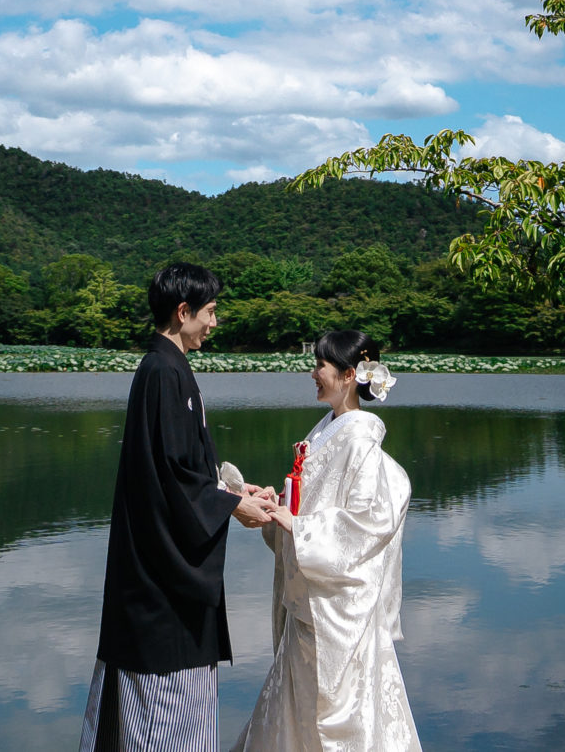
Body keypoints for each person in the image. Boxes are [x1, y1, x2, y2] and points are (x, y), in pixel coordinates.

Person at [85, 262, 276, 752]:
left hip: (163, 568)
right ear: (183, 311)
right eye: (210, 312)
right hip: (159, 581)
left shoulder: (169, 368)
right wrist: (230, 506)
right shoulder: (162, 371)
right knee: (159, 712)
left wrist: (233, 491)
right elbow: (170, 475)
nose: (214, 322)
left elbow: (184, 467)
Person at [231, 330, 419, 752]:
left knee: (338, 717)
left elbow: (368, 525)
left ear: (350, 375)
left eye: (321, 365)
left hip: (336, 606)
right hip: (310, 598)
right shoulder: (327, 432)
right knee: (297, 707)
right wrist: (277, 508)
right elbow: (311, 503)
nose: (314, 373)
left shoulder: (360, 442)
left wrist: (298, 527)